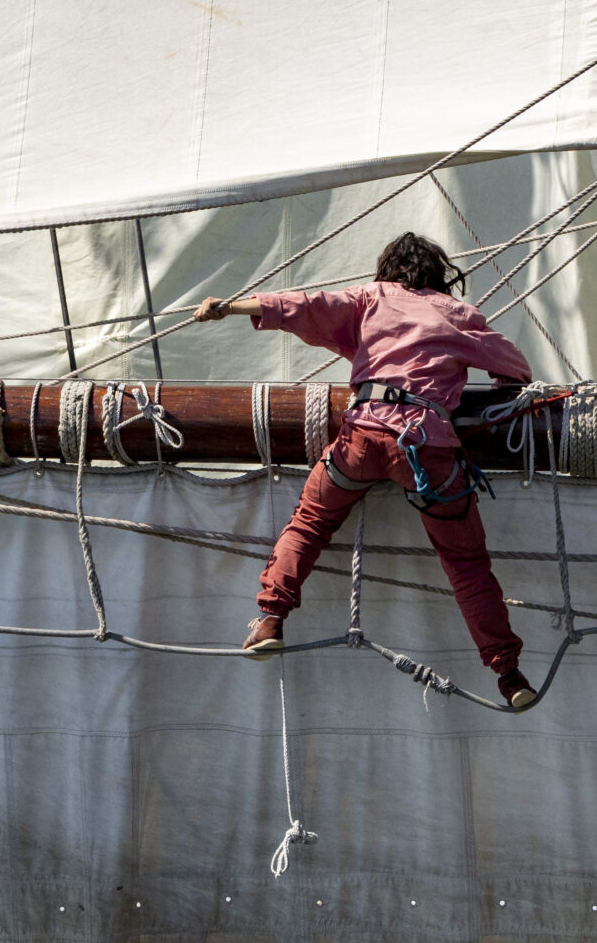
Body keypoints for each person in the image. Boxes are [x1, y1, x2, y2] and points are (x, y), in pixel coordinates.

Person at [194, 232, 540, 710]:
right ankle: (509, 674)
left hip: (362, 437)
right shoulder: (460, 315)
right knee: (466, 566)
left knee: (310, 524)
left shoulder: (370, 298)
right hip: (427, 451)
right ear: (439, 275)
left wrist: (231, 307)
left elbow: (308, 304)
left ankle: (269, 621)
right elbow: (516, 369)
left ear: (388, 269)